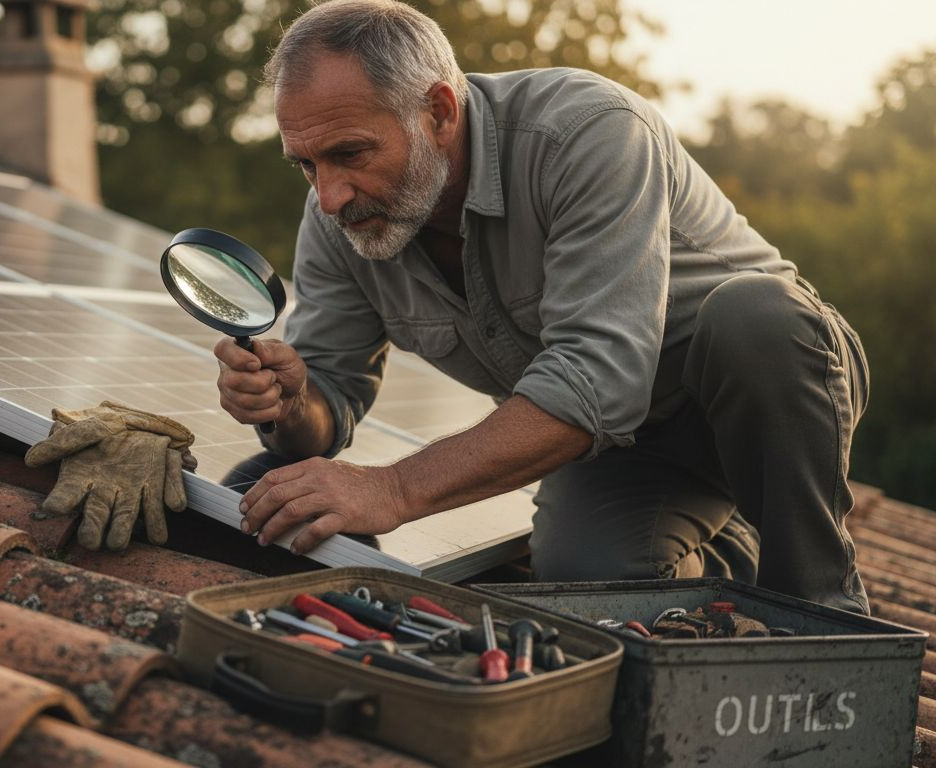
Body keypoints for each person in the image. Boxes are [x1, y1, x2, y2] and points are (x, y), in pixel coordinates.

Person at [213, 0, 870, 613]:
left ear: (439, 112)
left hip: (771, 389)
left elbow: (595, 380)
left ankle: (823, 606)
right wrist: (293, 402)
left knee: (756, 316)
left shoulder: (586, 132)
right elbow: (329, 396)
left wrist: (391, 490)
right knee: (584, 574)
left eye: (349, 154)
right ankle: (731, 550)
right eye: (305, 165)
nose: (329, 196)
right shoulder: (342, 218)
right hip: (626, 447)